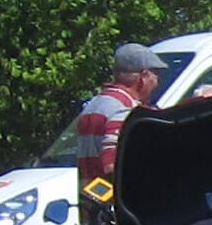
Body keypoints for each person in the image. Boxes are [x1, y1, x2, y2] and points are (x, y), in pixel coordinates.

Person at [69, 42, 165, 189]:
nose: (157, 83)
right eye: (156, 75)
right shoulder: (124, 109)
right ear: (144, 76)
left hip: (90, 196)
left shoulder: (94, 104)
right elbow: (112, 165)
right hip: (113, 198)